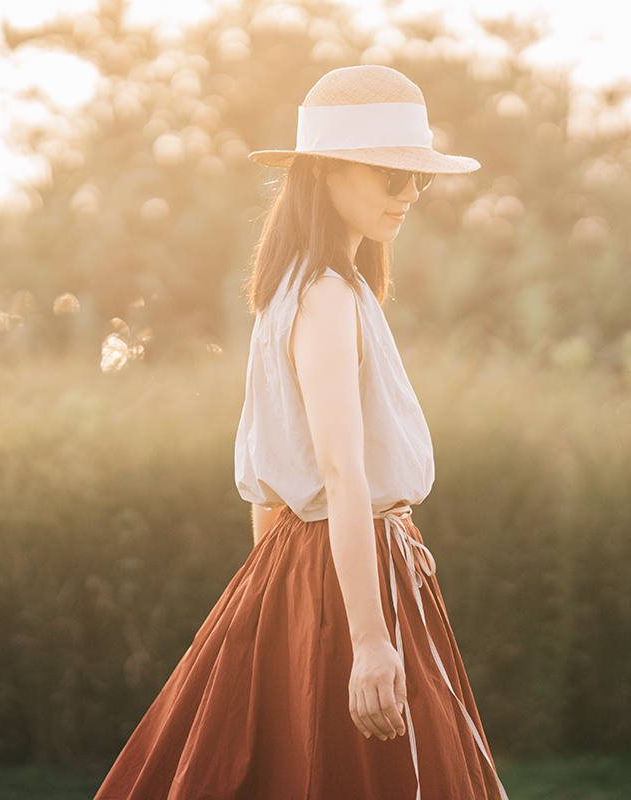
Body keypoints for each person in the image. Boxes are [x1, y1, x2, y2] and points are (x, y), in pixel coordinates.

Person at [94, 65, 509, 800]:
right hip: (345, 574)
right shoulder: (322, 296)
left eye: (418, 179)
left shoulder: (299, 290)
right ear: (325, 174)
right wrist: (369, 640)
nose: (409, 194)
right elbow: (340, 473)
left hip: (307, 567)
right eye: (390, 175)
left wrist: (277, 603)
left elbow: (270, 480)